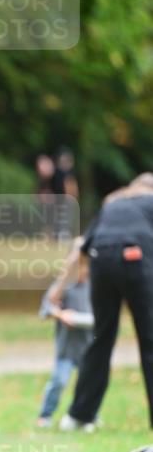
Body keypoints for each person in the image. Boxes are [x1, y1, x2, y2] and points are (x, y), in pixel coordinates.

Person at [52, 173, 153, 430]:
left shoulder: (114, 205)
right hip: (136, 258)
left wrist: (57, 290)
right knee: (150, 341)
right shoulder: (149, 202)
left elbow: (80, 248)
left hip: (102, 262)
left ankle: (79, 416)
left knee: (101, 337)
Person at [36, 240, 94, 429]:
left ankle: (87, 416)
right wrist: (61, 315)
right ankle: (45, 414)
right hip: (67, 349)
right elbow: (46, 308)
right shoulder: (64, 287)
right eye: (77, 267)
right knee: (59, 381)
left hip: (88, 347)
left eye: (85, 267)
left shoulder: (94, 286)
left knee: (88, 385)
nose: (82, 272)